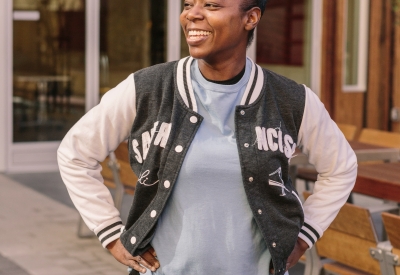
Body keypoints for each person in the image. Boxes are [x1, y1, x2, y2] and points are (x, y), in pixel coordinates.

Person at [57, 0, 357, 274]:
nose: (192, 14)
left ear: (251, 18)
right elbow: (75, 154)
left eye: (211, 4)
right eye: (188, 4)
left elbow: (341, 167)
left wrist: (304, 237)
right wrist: (110, 233)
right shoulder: (148, 88)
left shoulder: (291, 99)